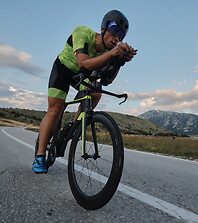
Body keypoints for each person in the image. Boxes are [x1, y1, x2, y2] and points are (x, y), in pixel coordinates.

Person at [33, 10, 136, 173]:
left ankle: (76, 126)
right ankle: (39, 156)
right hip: (63, 69)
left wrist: (120, 61)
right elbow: (84, 64)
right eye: (115, 31)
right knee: (55, 110)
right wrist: (112, 54)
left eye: (122, 35)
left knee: (96, 92)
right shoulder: (82, 32)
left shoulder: (108, 52)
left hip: (81, 75)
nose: (117, 38)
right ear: (103, 29)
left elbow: (107, 81)